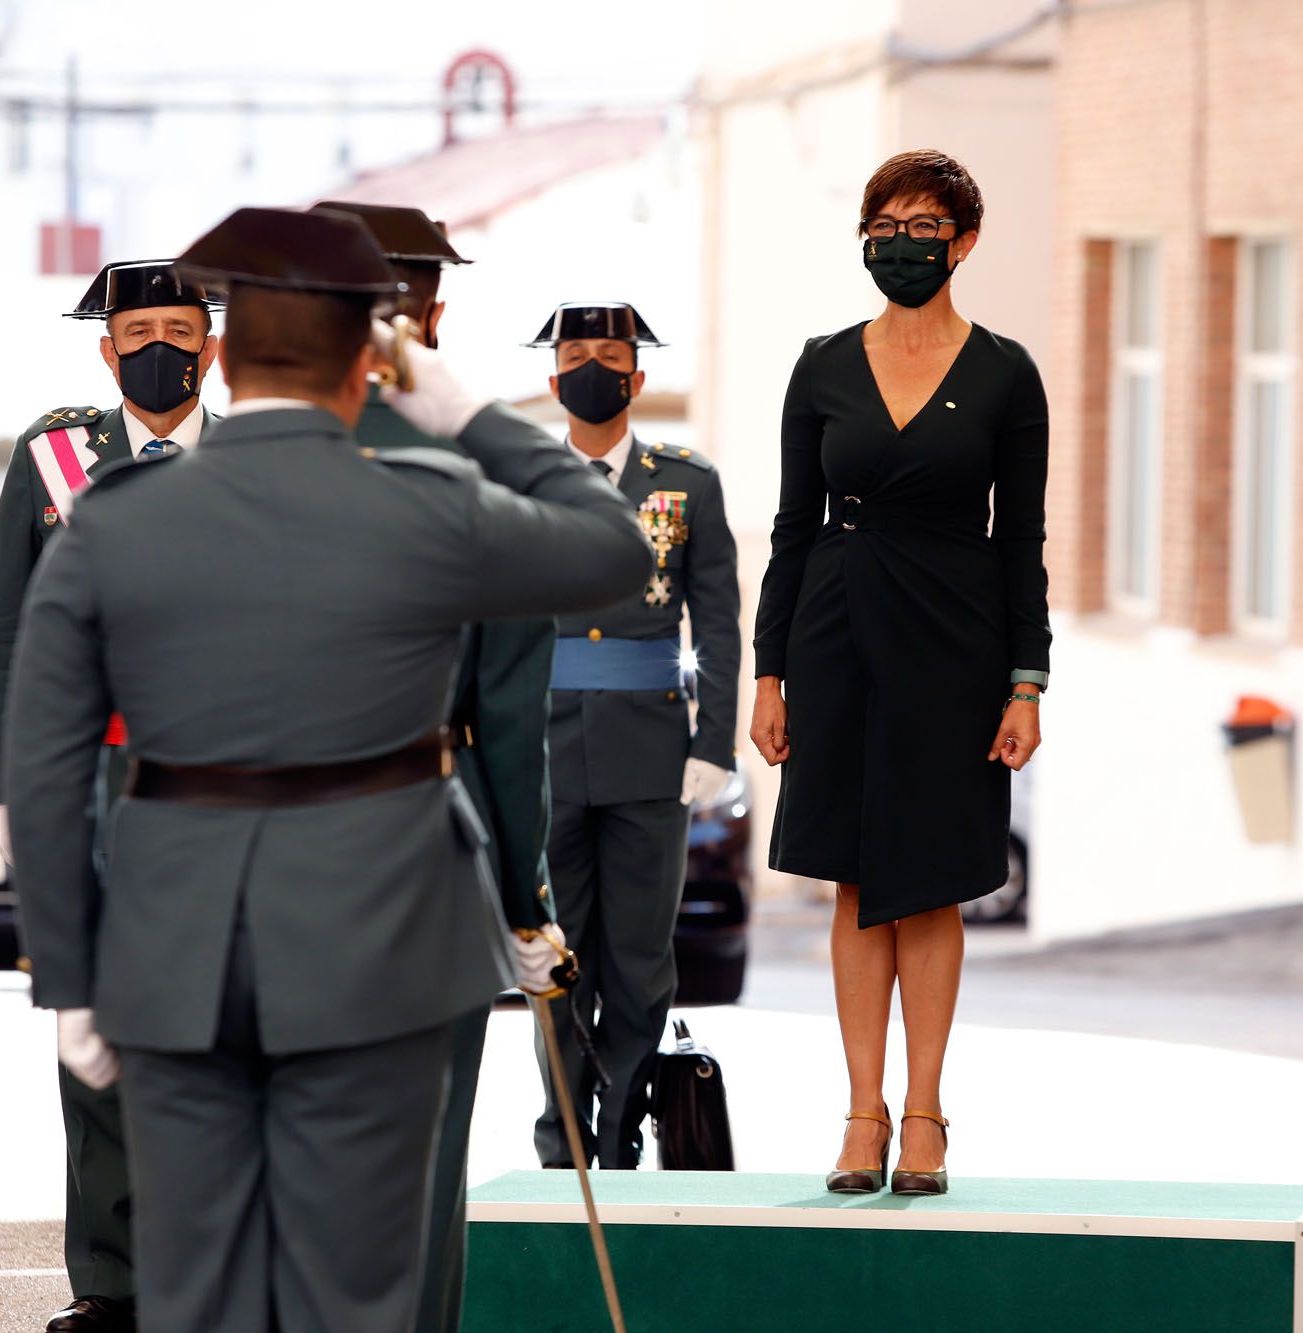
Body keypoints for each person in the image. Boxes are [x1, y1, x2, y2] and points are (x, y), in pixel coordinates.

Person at [3, 205, 648, 1332]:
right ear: (369, 362)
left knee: (198, 1290)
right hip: (383, 939)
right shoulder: (431, 504)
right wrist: (464, 409)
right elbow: (610, 546)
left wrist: (68, 971)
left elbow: (44, 756)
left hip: (172, 945)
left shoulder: (114, 519)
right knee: (352, 1293)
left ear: (223, 353)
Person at [748, 150, 1050, 1197]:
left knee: (929, 883)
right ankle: (860, 1113)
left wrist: (1026, 679)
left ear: (962, 241)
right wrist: (768, 672)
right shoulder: (819, 363)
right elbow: (790, 528)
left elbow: (1021, 540)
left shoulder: (1006, 372)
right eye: (883, 221)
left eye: (924, 224)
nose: (901, 240)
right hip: (836, 630)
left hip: (956, 640)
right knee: (856, 877)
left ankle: (925, 1113)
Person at [315, 198, 559, 1333]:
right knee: (416, 1180)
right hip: (426, 841)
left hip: (237, 858)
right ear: (432, 316)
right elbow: (507, 717)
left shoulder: (212, 463)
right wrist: (523, 902)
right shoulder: (482, 476)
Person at [0, 258, 220, 1333]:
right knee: (99, 1029)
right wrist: (5, 789)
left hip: (228, 777)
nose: (161, 345)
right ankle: (110, 1281)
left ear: (211, 345)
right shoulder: (55, 453)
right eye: (141, 329)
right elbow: (7, 635)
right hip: (93, 781)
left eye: (182, 326)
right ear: (106, 348)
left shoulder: (260, 455)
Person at [525, 301, 742, 1169]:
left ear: (637, 377)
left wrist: (713, 744)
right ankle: (564, 1141)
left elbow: (719, 625)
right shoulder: (524, 480)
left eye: (608, 356)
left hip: (652, 754)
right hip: (542, 751)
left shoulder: (685, 481)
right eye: (575, 355)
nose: (591, 369)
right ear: (553, 380)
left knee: (642, 963)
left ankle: (619, 1141)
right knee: (555, 958)